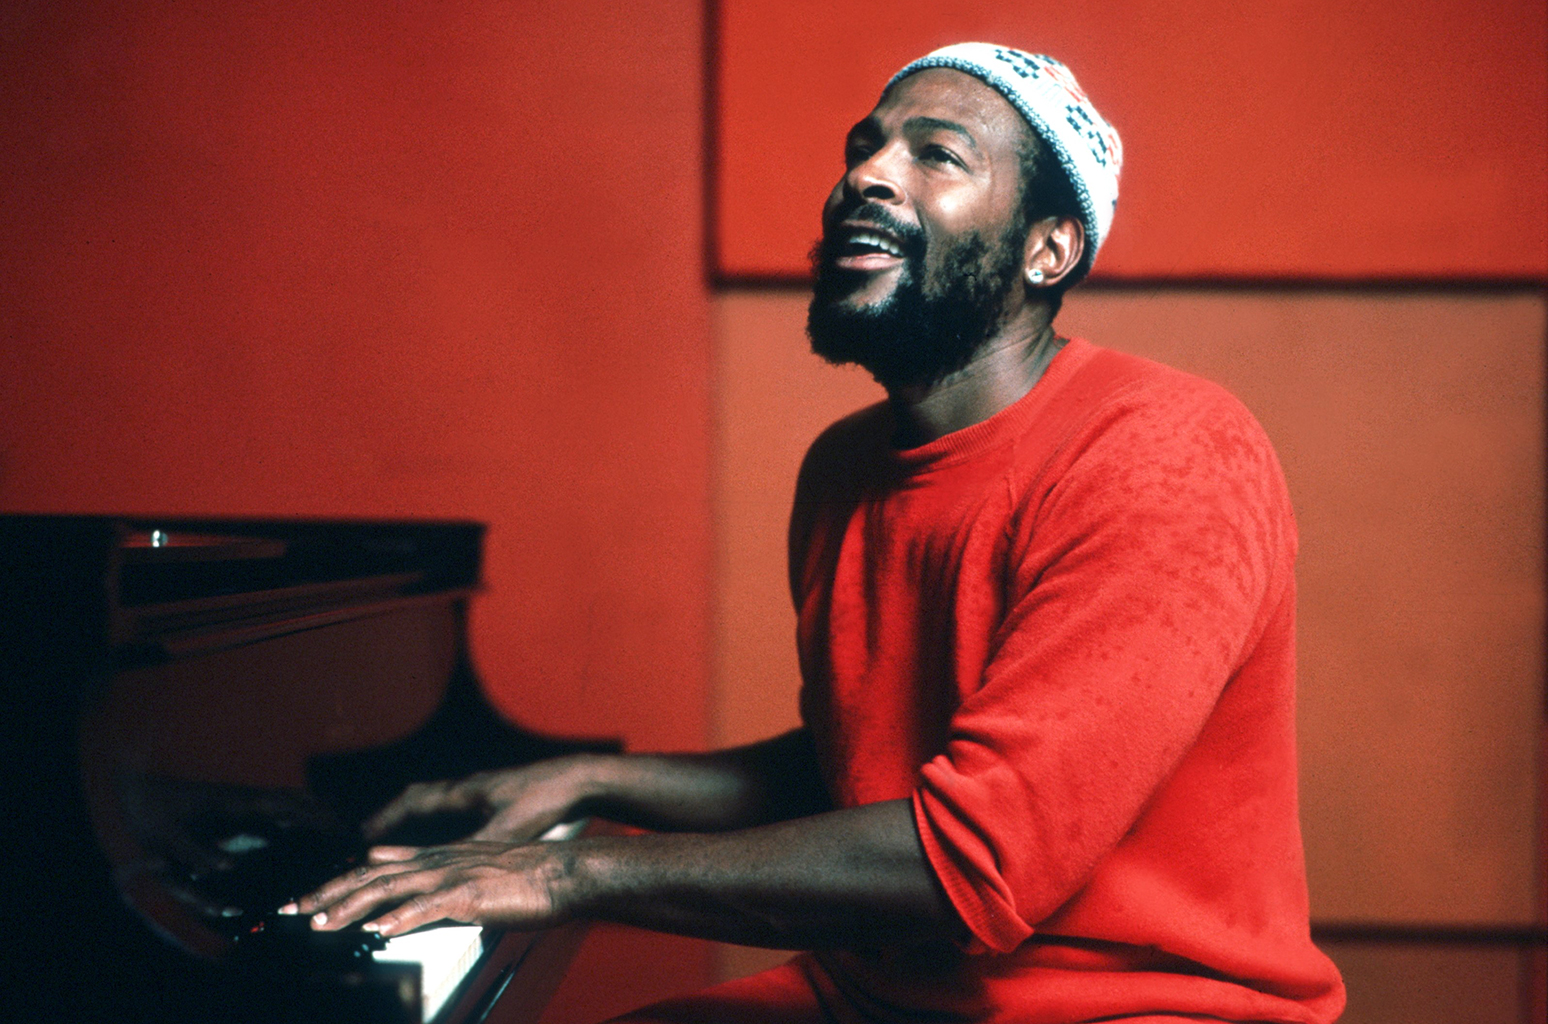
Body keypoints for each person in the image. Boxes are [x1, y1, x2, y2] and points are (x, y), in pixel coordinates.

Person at [287, 43, 1347, 1023]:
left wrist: (568, 873)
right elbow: (863, 772)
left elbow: (974, 858)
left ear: (1048, 248)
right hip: (882, 996)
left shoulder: (1167, 451)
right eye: (863, 148)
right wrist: (592, 784)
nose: (867, 177)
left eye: (937, 155)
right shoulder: (843, 468)